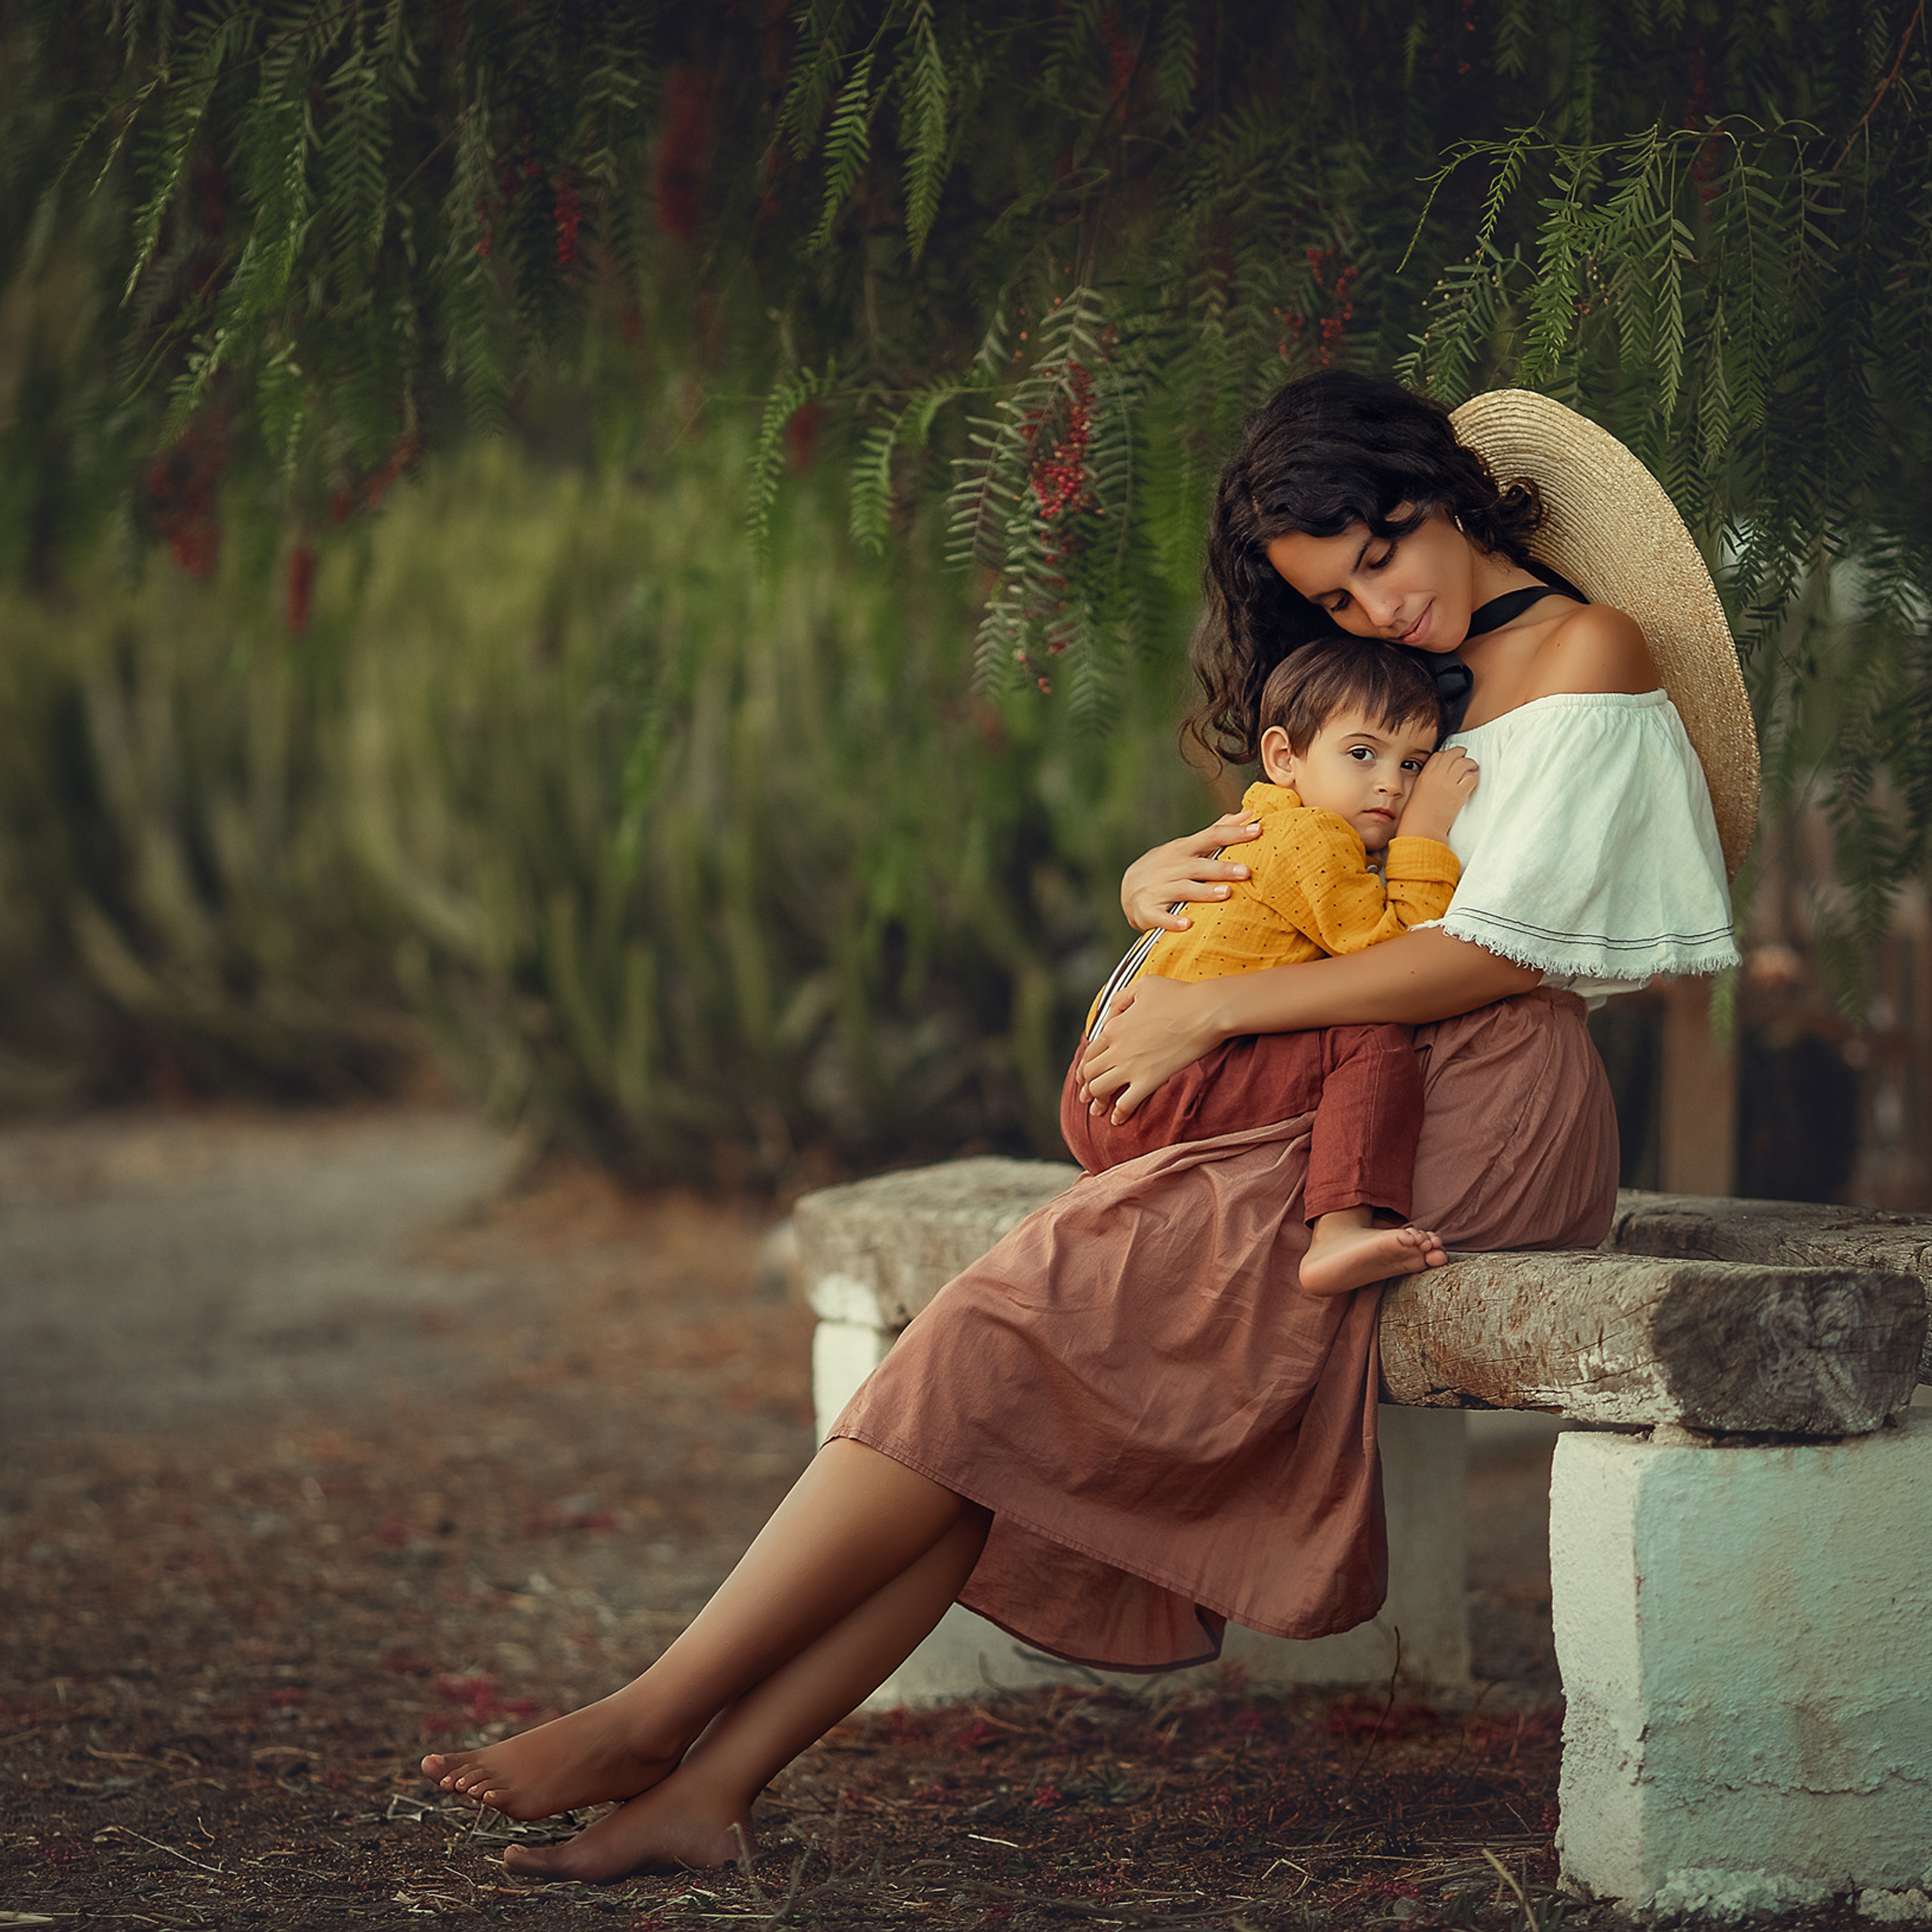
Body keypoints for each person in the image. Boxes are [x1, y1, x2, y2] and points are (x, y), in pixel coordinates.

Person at [420, 374, 1752, 1882]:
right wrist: (1158, 885)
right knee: (990, 1373)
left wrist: (1211, 1020)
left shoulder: (1585, 645)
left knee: (1005, 1322)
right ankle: (702, 1780)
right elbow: (1303, 868)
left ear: (1435, 495)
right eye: (1335, 595)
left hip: (1486, 1103)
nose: (1379, 611)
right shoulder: (1394, 687)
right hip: (1342, 1089)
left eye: (1382, 559)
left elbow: (1507, 950)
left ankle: (654, 1718)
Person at [1066, 632, 1480, 1296]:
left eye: (1413, 766)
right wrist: (1425, 837)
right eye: (1363, 753)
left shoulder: (1263, 825)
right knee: (1368, 1043)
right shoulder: (1314, 839)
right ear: (1284, 756)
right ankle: (1340, 1230)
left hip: (1100, 1082)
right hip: (1154, 1091)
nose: (1390, 783)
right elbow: (1395, 952)